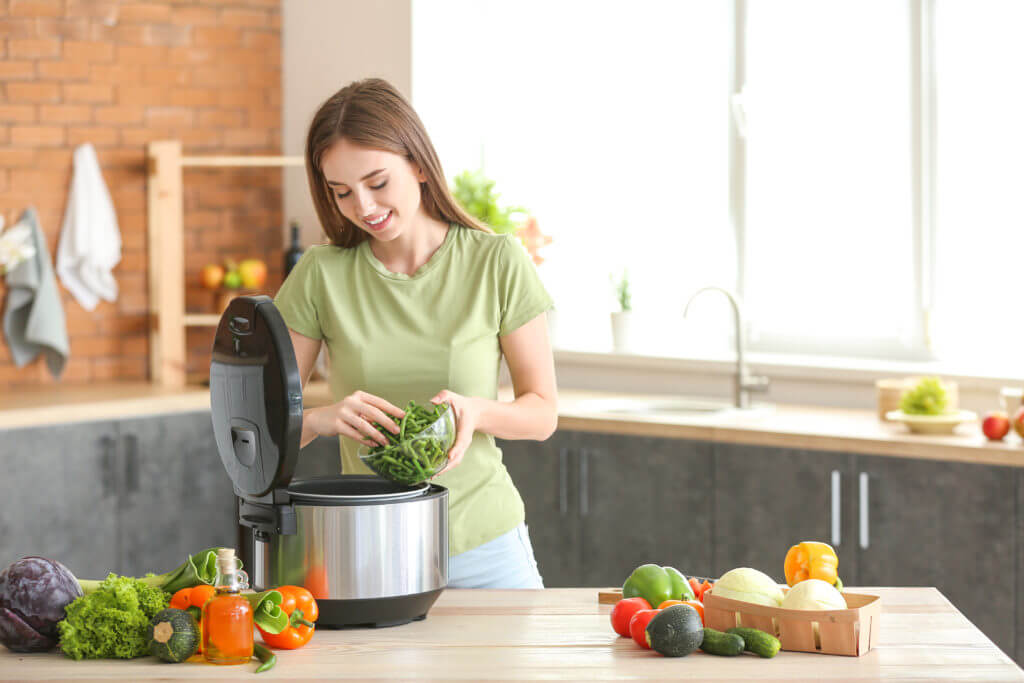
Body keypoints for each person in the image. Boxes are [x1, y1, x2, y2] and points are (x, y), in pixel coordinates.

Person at [274, 78, 558, 589]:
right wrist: (321, 417)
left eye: (377, 183)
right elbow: (259, 432)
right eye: (341, 192)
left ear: (420, 165)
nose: (362, 206)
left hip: (485, 549)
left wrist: (476, 411)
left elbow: (542, 412)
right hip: (363, 551)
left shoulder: (496, 261)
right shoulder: (320, 275)